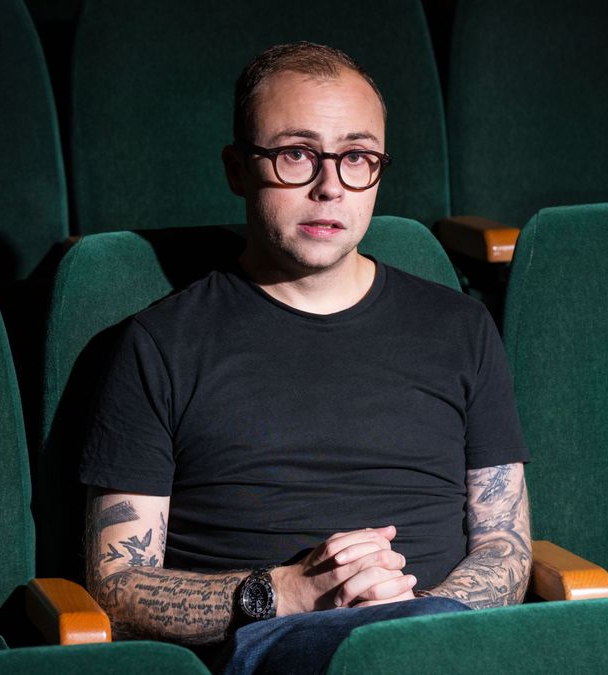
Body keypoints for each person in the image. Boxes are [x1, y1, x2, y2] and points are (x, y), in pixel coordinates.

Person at [80, 42, 530, 674]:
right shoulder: (158, 344)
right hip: (272, 647)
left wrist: (416, 622)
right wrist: (287, 592)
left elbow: (504, 546)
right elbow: (117, 585)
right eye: (296, 154)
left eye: (356, 157)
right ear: (237, 169)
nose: (329, 186)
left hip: (448, 640)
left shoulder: (461, 326)